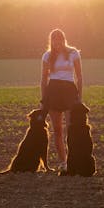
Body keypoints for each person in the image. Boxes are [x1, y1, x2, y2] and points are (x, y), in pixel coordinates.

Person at [40, 28, 83, 173]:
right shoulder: (47, 56)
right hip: (53, 91)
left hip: (69, 91)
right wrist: (44, 99)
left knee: (71, 129)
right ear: (51, 41)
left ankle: (73, 161)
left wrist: (79, 97)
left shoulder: (73, 53)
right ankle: (63, 162)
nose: (57, 41)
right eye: (54, 39)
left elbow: (80, 77)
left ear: (64, 39)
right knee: (57, 130)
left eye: (59, 39)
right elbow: (43, 79)